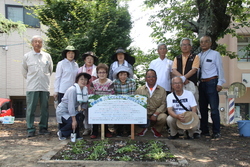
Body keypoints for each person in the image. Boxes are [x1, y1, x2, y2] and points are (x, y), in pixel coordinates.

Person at [22, 35, 53, 137]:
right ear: (32, 44)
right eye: (35, 42)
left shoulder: (47, 56)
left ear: (42, 44)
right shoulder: (27, 56)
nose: (37, 44)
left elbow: (50, 70)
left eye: (39, 42)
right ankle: (30, 128)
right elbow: (24, 71)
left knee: (44, 108)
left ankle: (43, 128)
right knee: (31, 108)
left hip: (44, 86)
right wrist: (32, 79)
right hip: (32, 87)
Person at [172, 38, 201, 138]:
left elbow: (194, 70)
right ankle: (182, 130)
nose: (185, 46)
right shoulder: (177, 58)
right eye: (183, 45)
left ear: (191, 47)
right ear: (180, 47)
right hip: (179, 84)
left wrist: (185, 78)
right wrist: (182, 79)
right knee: (180, 106)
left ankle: (195, 131)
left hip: (191, 83)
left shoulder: (195, 57)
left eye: (187, 44)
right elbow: (173, 70)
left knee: (193, 106)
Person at [198, 35, 226, 139]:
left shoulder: (215, 54)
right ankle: (204, 131)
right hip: (202, 83)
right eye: (201, 42)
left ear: (210, 43)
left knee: (214, 109)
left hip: (212, 82)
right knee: (203, 109)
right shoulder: (198, 56)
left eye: (206, 42)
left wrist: (220, 83)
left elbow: (220, 69)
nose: (203, 44)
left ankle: (216, 131)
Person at [56, 73, 90, 140]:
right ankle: (62, 132)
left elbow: (85, 102)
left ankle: (76, 134)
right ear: (77, 80)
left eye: (86, 80)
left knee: (80, 118)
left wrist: (81, 111)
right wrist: (74, 120)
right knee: (73, 121)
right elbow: (70, 105)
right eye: (81, 79)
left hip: (73, 110)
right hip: (63, 111)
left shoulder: (84, 90)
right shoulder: (73, 90)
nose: (83, 81)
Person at [135, 69, 167, 138]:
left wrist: (156, 114)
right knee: (134, 116)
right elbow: (136, 104)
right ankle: (141, 130)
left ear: (156, 78)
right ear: (146, 78)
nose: (151, 78)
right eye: (149, 77)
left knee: (163, 117)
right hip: (144, 113)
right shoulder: (139, 90)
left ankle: (156, 130)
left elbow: (163, 104)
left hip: (156, 113)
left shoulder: (162, 90)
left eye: (153, 76)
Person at [89, 63, 115, 139]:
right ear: (97, 74)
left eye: (104, 72)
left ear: (107, 73)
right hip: (96, 104)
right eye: (100, 72)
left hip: (107, 104)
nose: (102, 74)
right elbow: (91, 95)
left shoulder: (110, 83)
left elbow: (111, 95)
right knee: (94, 113)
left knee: (106, 115)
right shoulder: (93, 83)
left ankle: (106, 131)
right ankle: (95, 132)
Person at [78, 51, 98, 136]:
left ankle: (94, 129)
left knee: (94, 111)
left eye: (91, 59)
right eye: (88, 58)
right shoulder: (80, 69)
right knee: (85, 111)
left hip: (94, 92)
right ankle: (87, 128)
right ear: (84, 60)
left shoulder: (97, 69)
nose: (89, 60)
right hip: (84, 92)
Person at [113, 66, 136, 136]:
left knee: (129, 114)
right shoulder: (114, 83)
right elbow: (114, 94)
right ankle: (118, 131)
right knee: (118, 115)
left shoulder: (132, 82)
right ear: (118, 75)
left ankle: (129, 131)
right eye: (121, 75)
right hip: (118, 103)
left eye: (125, 74)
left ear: (127, 75)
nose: (123, 77)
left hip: (129, 102)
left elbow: (132, 94)